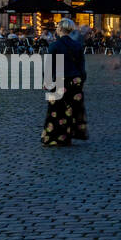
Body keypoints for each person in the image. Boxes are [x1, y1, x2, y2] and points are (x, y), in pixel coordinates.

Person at [42, 19, 87, 147]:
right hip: (75, 80)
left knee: (55, 110)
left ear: (60, 29)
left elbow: (49, 66)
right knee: (70, 110)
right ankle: (67, 137)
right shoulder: (77, 45)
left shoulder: (54, 46)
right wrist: (82, 80)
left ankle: (54, 138)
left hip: (59, 79)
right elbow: (81, 66)